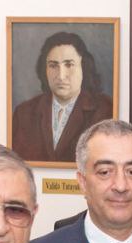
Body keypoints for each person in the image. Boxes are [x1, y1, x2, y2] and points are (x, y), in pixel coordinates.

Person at [11, 32, 112, 164]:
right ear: (44, 70)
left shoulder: (106, 110)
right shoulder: (24, 113)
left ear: (84, 67)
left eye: (69, 65)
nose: (61, 75)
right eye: (53, 66)